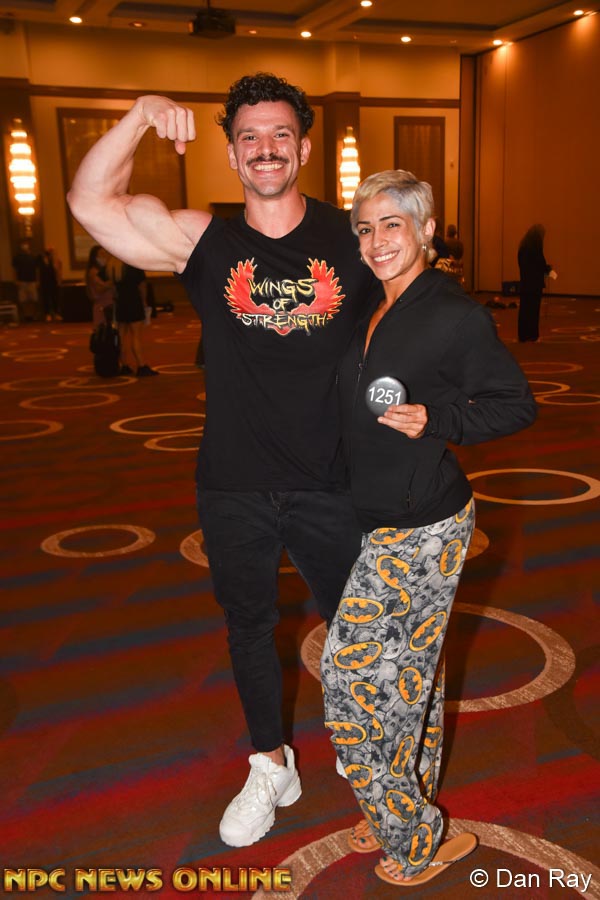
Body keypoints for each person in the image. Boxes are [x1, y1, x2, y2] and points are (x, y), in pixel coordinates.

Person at [67, 72, 376, 847]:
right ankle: (271, 763)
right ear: (233, 154)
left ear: (304, 148)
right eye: (249, 137)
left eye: (280, 135)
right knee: (249, 628)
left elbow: (418, 325)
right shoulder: (204, 242)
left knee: (359, 626)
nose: (265, 149)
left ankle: (365, 741)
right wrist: (139, 113)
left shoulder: (353, 239)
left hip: (333, 478)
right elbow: (90, 204)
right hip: (234, 481)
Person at [320, 170, 537, 888]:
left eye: (392, 224)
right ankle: (398, 804)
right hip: (370, 514)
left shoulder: (453, 315)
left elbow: (514, 403)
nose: (376, 240)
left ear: (426, 230)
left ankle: (410, 833)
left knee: (349, 682)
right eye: (365, 228)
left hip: (423, 524)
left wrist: (436, 419)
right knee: (408, 679)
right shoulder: (371, 304)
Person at [114, 262, 158, 376]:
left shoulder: (113, 266)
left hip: (120, 303)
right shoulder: (134, 265)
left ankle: (124, 365)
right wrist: (144, 301)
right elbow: (142, 286)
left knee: (121, 336)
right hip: (134, 301)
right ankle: (141, 365)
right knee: (136, 336)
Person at [517, 224, 551, 342]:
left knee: (525, 309)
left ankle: (523, 335)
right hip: (535, 284)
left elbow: (526, 266)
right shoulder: (536, 249)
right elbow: (540, 264)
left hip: (525, 284)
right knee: (533, 310)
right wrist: (548, 270)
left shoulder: (523, 248)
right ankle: (532, 334)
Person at [85, 245, 115, 327]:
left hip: (108, 304)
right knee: (103, 330)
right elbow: (99, 289)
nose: (105, 256)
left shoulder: (104, 270)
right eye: (102, 254)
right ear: (95, 257)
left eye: (105, 253)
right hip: (102, 306)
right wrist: (112, 282)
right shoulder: (94, 271)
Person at [12, 240, 40, 321]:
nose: (25, 246)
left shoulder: (33, 257)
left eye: (26, 244)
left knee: (33, 299)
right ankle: (26, 315)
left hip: (32, 281)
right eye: (23, 245)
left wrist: (38, 280)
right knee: (23, 300)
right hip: (21, 281)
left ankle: (32, 315)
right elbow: (14, 270)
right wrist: (15, 280)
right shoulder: (17, 257)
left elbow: (37, 270)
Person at [37, 247, 62, 321]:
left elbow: (59, 272)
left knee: (55, 298)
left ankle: (56, 313)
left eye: (52, 252)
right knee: (46, 298)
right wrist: (38, 282)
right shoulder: (42, 260)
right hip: (44, 283)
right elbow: (38, 272)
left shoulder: (57, 261)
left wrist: (59, 281)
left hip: (54, 282)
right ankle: (47, 314)